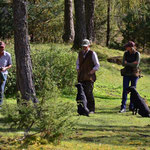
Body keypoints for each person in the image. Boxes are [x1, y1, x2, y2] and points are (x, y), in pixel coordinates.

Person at [76, 39, 100, 114]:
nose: (84, 48)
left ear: (88, 46)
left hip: (89, 77)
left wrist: (92, 71)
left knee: (89, 93)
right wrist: (78, 69)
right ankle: (84, 108)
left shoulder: (92, 53)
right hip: (81, 76)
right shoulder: (80, 53)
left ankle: (92, 109)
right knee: (81, 93)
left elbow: (97, 65)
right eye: (83, 46)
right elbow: (77, 63)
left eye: (85, 46)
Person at [120, 41, 140, 113]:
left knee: (133, 91)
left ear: (131, 47)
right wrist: (131, 63)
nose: (126, 47)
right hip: (126, 74)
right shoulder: (125, 53)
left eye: (127, 46)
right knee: (125, 90)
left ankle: (132, 106)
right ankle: (123, 107)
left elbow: (136, 65)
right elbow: (123, 63)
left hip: (134, 74)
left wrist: (127, 63)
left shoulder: (137, 54)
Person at [0, 41, 12, 107]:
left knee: (1, 89)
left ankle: (0, 105)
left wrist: (5, 68)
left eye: (2, 47)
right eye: (0, 47)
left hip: (3, 74)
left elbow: (10, 64)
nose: (1, 48)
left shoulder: (7, 55)